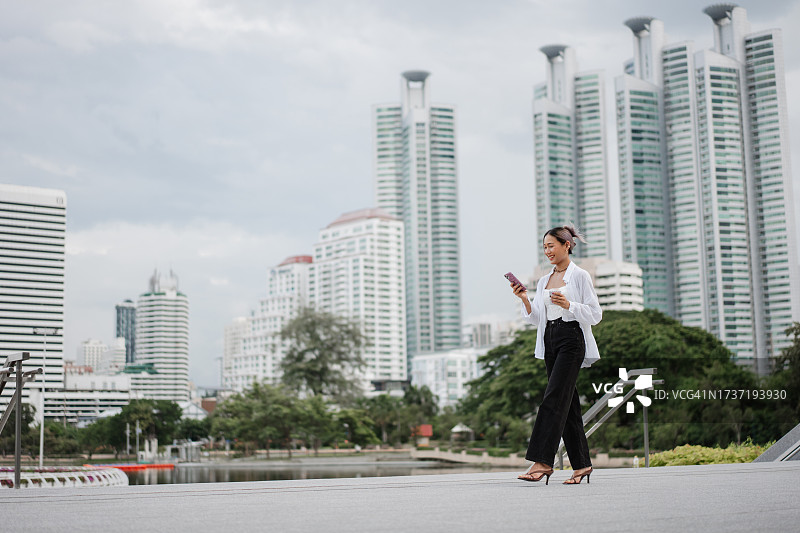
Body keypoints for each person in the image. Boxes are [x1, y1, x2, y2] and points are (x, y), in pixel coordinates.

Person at [510, 225, 602, 485]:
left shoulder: (580, 276)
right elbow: (537, 317)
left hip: (571, 339)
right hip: (550, 339)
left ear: (567, 245)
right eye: (544, 247)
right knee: (568, 404)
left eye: (551, 246)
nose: (547, 251)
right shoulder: (544, 280)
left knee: (552, 399)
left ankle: (542, 461)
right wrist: (526, 300)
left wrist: (569, 304)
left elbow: (596, 314)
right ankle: (582, 465)